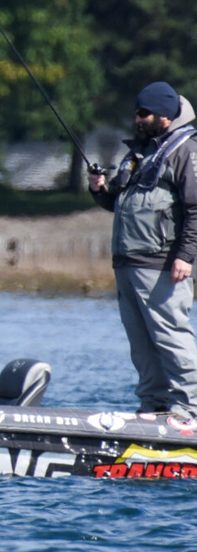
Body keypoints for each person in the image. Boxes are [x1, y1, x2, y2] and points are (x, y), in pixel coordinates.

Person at [90, 81, 197, 416]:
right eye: (137, 112)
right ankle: (154, 405)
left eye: (144, 113)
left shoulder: (186, 151)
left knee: (170, 338)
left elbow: (196, 209)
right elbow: (118, 201)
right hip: (128, 262)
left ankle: (189, 408)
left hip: (163, 263)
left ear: (164, 115)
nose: (137, 119)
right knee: (141, 344)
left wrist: (185, 256)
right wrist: (99, 189)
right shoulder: (140, 152)